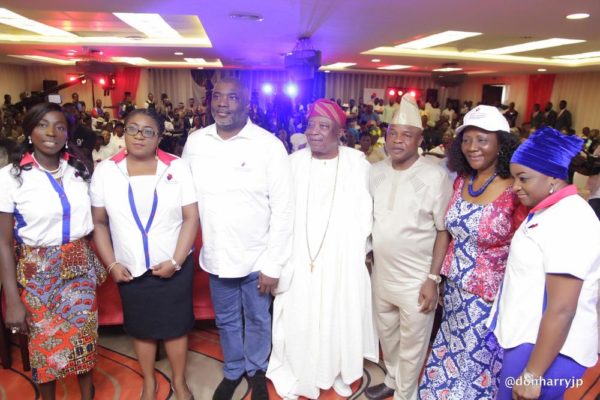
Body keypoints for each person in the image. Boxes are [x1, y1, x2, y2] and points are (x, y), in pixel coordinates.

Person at [182, 77, 294, 400]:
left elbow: (284, 210)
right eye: (218, 96)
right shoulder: (196, 143)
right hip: (217, 255)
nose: (222, 103)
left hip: (258, 258)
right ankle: (233, 370)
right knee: (227, 319)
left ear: (247, 104)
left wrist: (274, 263)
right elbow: (184, 198)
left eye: (232, 98)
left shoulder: (269, 145)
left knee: (259, 319)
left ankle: (257, 371)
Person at [267, 98, 378, 399]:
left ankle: (337, 370)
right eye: (311, 125)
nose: (314, 131)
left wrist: (356, 254)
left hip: (340, 259)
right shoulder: (292, 164)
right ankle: (298, 371)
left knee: (337, 315)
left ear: (339, 132)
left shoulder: (358, 165)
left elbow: (366, 214)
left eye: (323, 126)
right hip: (298, 257)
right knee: (297, 316)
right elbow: (278, 213)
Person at [419, 105, 527, 399]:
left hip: (488, 298)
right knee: (449, 351)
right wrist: (433, 277)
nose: (472, 147)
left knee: (476, 365)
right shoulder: (461, 180)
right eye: (466, 140)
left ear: (501, 143)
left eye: (482, 139)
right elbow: (447, 232)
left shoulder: (515, 190)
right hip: (454, 291)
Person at [91, 108, 199, 400]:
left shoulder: (177, 167)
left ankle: (180, 381)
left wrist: (177, 261)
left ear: (159, 136)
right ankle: (149, 382)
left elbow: (191, 217)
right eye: (132, 128)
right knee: (142, 329)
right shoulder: (105, 170)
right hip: (130, 267)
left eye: (148, 130)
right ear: (123, 132)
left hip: (173, 263)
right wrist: (111, 263)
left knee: (176, 328)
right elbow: (99, 223)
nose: (139, 135)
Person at [0, 102, 101, 400]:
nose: (51, 132)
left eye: (59, 127)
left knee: (85, 339)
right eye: (43, 124)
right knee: (45, 346)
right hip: (37, 272)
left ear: (68, 134)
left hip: (80, 267)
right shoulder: (11, 176)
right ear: (29, 131)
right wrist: (12, 300)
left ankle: (87, 395)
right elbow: (3, 243)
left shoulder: (79, 170)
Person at [489, 127, 599, 399]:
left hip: (547, 348)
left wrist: (532, 373)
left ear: (553, 176)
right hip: (532, 338)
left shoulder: (570, 219)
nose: (515, 187)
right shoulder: (550, 210)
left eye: (523, 178)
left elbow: (562, 308)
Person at [366, 96, 452, 400]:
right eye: (392, 133)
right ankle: (392, 379)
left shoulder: (434, 176)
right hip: (382, 274)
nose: (397, 140)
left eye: (406, 134)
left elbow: (443, 230)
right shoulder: (375, 172)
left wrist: (433, 279)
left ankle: (406, 394)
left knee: (413, 343)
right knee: (387, 335)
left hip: (416, 279)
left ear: (419, 139)